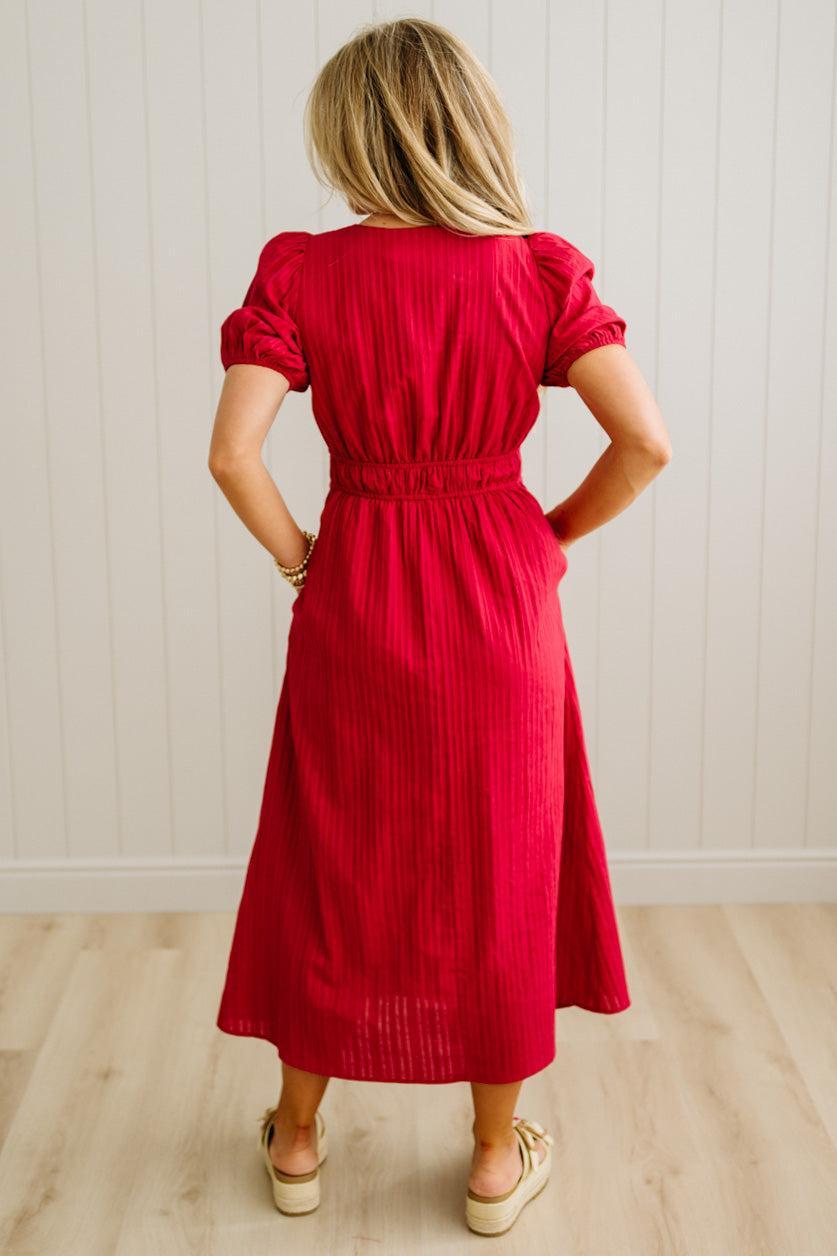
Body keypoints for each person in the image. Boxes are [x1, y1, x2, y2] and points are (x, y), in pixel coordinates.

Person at [208, 16, 671, 1238]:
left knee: (333, 858)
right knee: (500, 868)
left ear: (351, 134)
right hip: (498, 605)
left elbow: (232, 455)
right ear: (472, 124)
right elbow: (649, 442)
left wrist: (305, 557)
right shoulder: (538, 268)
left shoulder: (303, 270)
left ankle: (300, 1139)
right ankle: (485, 1160)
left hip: (355, 592)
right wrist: (548, 536)